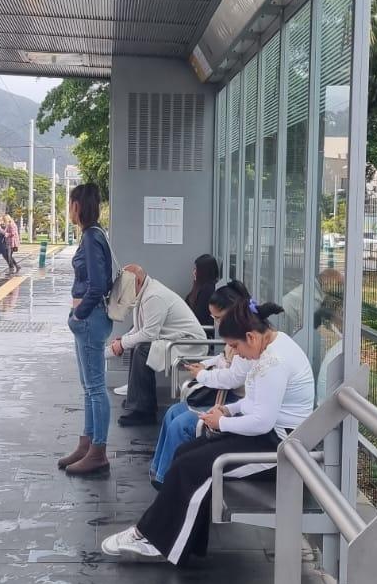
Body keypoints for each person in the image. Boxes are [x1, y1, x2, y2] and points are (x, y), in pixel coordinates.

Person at [102, 298, 314, 564]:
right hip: (270, 437)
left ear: (251, 336)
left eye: (235, 346)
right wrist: (229, 410)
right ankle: (180, 539)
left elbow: (262, 421)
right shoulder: (269, 348)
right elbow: (257, 403)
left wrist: (221, 423)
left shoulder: (274, 361)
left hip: (280, 450)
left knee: (193, 466)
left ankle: (152, 538)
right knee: (185, 452)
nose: (236, 354)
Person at [149, 280, 252, 487]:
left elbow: (234, 378)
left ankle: (170, 482)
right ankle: (160, 473)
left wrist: (203, 375)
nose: (217, 323)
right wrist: (205, 364)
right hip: (224, 397)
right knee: (173, 413)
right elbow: (224, 358)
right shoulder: (236, 333)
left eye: (218, 318)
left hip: (234, 401)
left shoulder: (247, 338)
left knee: (181, 425)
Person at [59, 181, 115, 478]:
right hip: (89, 319)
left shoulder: (92, 237)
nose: (69, 210)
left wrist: (78, 315)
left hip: (90, 319)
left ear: (77, 206)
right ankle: (88, 443)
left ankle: (98, 451)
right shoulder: (92, 235)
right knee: (89, 387)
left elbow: (97, 285)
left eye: (70, 204)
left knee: (95, 387)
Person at [110, 263, 210, 426]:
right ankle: (135, 399)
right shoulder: (145, 292)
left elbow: (149, 334)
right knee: (137, 345)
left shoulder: (153, 296)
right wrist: (122, 340)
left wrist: (122, 344)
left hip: (190, 344)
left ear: (137, 281)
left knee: (143, 350)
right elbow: (138, 329)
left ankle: (144, 411)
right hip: (177, 341)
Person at [185, 253, 221, 327]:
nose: (194, 272)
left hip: (201, 330)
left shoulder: (208, 289)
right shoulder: (203, 287)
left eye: (196, 269)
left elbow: (200, 317)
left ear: (203, 272)